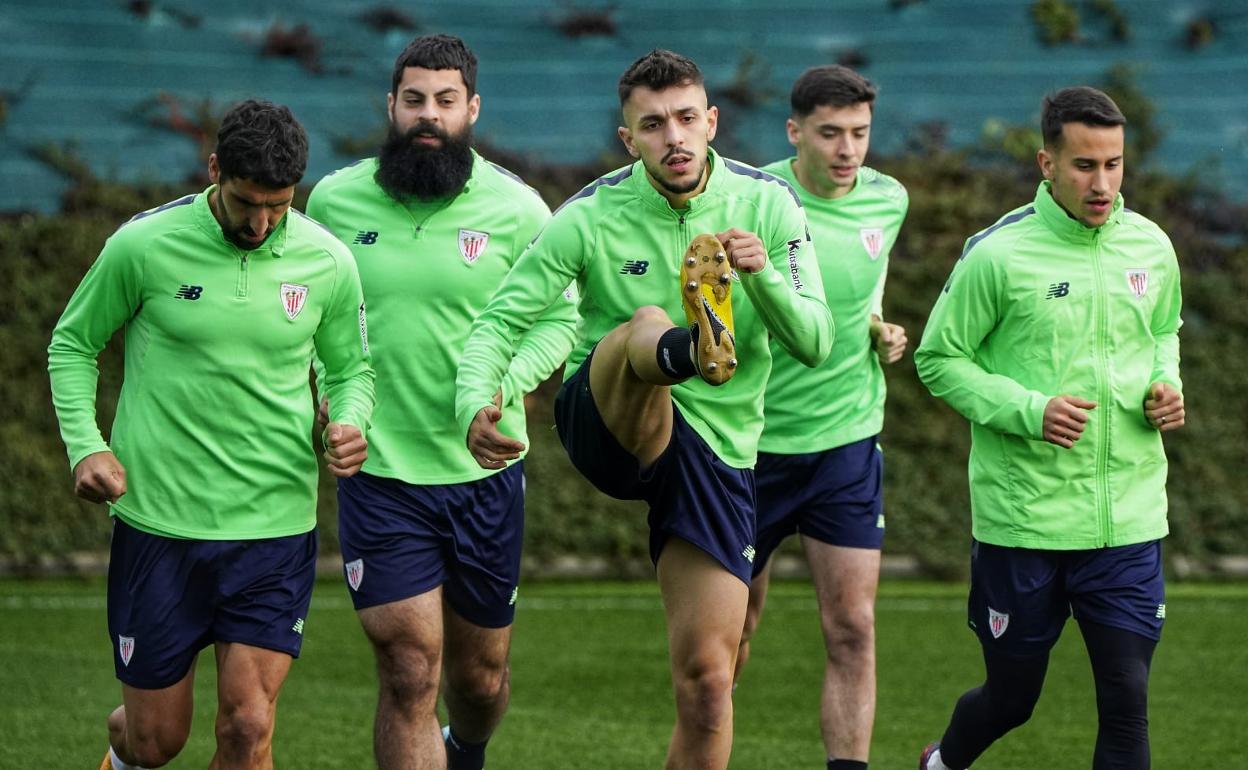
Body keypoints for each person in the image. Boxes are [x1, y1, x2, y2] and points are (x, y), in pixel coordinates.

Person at [455, 49, 834, 768]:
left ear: (712, 122)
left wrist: (761, 281)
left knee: (708, 687)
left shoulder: (767, 205)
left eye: (688, 119)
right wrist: (481, 399)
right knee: (643, 324)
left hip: (714, 452)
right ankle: (692, 347)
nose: (675, 138)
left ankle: (696, 345)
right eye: (653, 125)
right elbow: (501, 320)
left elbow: (815, 340)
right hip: (607, 419)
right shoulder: (588, 215)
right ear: (629, 139)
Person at [47, 100, 375, 770]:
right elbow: (73, 344)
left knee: (248, 727)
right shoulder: (142, 245)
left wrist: (349, 420)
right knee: (155, 741)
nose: (260, 224)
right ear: (215, 169)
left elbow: (350, 369)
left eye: (278, 207)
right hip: (160, 528)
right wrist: (86, 444)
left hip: (273, 528)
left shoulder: (329, 261)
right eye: (246, 202)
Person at [305, 34, 577, 770]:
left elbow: (561, 317)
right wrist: (329, 404)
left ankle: (469, 748)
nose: (429, 115)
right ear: (390, 106)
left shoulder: (520, 209)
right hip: (381, 474)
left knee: (478, 681)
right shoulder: (332, 200)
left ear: (472, 109)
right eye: (415, 100)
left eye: (445, 101)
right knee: (408, 670)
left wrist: (507, 385)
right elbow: (311, 323)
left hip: (482, 478)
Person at [913, 86, 1184, 770]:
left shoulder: (1150, 246)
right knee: (1012, 700)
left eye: (1114, 165)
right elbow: (940, 359)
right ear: (1047, 163)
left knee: (1127, 699)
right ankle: (942, 763)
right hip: (1024, 523)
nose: (1102, 183)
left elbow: (1163, 334)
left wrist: (1166, 387)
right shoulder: (997, 256)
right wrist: (1029, 411)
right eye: (1085, 165)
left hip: (1128, 521)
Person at [734, 65, 908, 770]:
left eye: (860, 134)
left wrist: (878, 326)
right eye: (830, 134)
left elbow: (863, 286)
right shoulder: (753, 198)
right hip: (750, 447)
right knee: (731, 631)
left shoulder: (888, 200)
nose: (847, 150)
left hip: (845, 444)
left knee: (853, 630)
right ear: (794, 131)